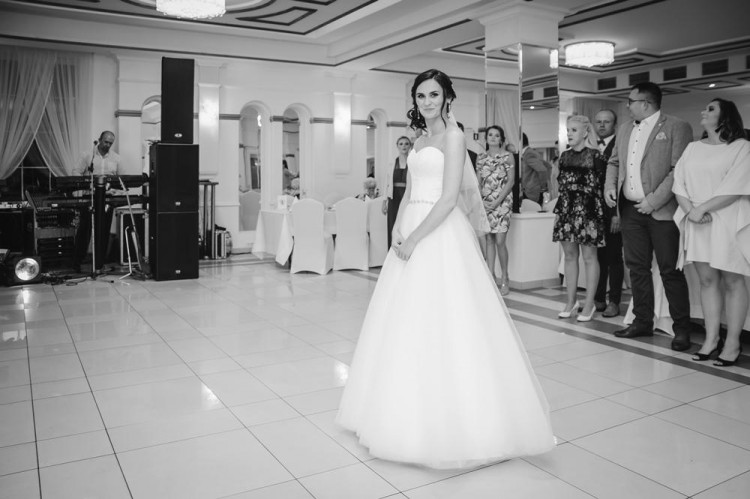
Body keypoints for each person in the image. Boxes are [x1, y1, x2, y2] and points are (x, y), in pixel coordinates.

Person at [336, 69, 555, 469]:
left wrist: (416, 239)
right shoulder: (419, 140)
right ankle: (394, 410)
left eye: (434, 95)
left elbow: (450, 198)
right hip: (410, 227)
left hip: (439, 232)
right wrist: (398, 231)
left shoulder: (454, 137)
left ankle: (457, 419)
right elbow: (409, 192)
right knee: (402, 320)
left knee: (446, 319)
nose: (427, 102)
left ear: (447, 98)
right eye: (421, 96)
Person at [604, 82, 694, 351]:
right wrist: (609, 186)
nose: (627, 105)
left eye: (631, 101)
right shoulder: (624, 128)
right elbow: (614, 162)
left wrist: (653, 201)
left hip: (662, 211)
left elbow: (679, 169)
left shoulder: (677, 126)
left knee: (670, 270)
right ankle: (642, 321)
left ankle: (682, 329)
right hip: (630, 210)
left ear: (646, 103)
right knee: (637, 268)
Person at [673, 98, 750, 366]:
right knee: (707, 281)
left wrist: (702, 208)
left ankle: (733, 342)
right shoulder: (693, 148)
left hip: (727, 219)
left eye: (710, 109)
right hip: (697, 220)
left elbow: (737, 185)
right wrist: (691, 210)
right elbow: (679, 182)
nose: (703, 111)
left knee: (733, 281)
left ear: (725, 116)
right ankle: (711, 339)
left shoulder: (741, 147)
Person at [553, 115, 606, 321]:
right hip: (566, 210)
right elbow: (561, 186)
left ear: (585, 132)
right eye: (568, 130)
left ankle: (589, 303)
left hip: (589, 211)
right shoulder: (564, 156)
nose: (569, 134)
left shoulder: (596, 156)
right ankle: (571, 301)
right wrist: (559, 213)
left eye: (574, 130)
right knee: (569, 256)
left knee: (590, 257)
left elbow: (602, 187)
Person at [72, 131, 122, 271]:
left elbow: (121, 179)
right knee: (85, 230)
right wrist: (86, 184)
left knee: (104, 231)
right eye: (106, 142)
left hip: (107, 200)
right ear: (99, 140)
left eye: (110, 143)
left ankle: (99, 263)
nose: (108, 145)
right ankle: (77, 262)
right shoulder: (87, 155)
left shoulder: (116, 158)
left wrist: (114, 190)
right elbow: (76, 171)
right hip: (90, 198)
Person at [593, 109, 625, 317]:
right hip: (594, 212)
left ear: (615, 124)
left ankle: (614, 300)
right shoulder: (591, 146)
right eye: (599, 122)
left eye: (607, 121)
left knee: (614, 257)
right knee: (598, 257)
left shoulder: (620, 145)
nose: (602, 125)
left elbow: (620, 180)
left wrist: (617, 213)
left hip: (612, 209)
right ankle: (598, 298)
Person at [477, 125, 515, 295]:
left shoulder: (508, 156)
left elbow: (511, 181)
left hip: (503, 202)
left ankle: (505, 277)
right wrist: (481, 201)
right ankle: (490, 277)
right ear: (486, 138)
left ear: (501, 139)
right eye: (490, 135)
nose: (493, 137)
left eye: (496, 135)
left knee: (500, 240)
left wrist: (498, 201)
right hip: (485, 202)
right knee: (489, 239)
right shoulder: (481, 158)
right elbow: (478, 182)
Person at [384, 136, 411, 247]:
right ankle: (391, 251)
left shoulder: (413, 162)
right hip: (393, 198)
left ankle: (406, 250)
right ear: (397, 146)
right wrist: (384, 201)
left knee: (406, 224)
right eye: (401, 144)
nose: (403, 146)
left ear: (410, 146)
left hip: (408, 197)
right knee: (392, 224)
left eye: (406, 144)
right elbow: (387, 183)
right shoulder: (392, 163)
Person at [520, 133, 550, 205]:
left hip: (532, 193)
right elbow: (548, 166)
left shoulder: (529, 153)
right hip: (530, 191)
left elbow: (542, 170)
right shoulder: (529, 152)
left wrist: (543, 188)